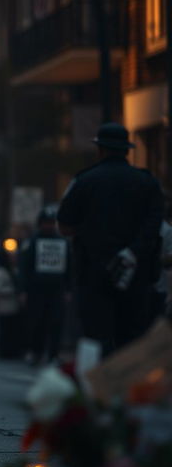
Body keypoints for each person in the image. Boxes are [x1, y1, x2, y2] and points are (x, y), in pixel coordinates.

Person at [57, 122, 164, 356]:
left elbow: (64, 224)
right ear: (127, 150)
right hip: (137, 271)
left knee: (94, 339)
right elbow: (154, 226)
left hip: (93, 272)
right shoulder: (147, 182)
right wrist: (132, 251)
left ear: (100, 150)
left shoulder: (85, 181)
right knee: (133, 337)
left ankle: (96, 390)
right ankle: (130, 388)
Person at [18, 206, 70, 365]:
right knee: (36, 322)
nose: (48, 226)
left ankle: (53, 354)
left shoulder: (63, 242)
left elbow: (69, 267)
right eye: (45, 223)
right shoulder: (32, 242)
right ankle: (35, 351)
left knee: (56, 323)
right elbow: (24, 267)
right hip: (36, 290)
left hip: (57, 290)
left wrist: (69, 289)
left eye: (51, 223)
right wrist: (23, 290)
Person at [0, 246, 24, 360]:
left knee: (13, 330)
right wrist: (14, 291)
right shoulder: (1, 271)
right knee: (5, 330)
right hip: (5, 305)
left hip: (15, 305)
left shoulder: (16, 269)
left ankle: (14, 351)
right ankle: (5, 351)